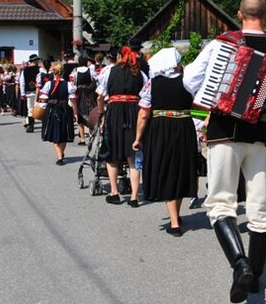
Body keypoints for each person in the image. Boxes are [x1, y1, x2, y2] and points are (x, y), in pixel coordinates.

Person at [183, 0, 266, 303]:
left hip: (224, 134)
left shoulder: (222, 45)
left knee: (220, 202)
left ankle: (240, 264)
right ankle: (255, 277)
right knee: (261, 208)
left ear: (238, 15)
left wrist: (215, 95)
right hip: (264, 138)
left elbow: (191, 79)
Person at [133, 48, 198, 237]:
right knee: (179, 169)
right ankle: (175, 215)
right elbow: (199, 105)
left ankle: (175, 222)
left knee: (168, 170)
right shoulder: (188, 82)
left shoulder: (152, 84)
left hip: (161, 129)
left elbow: (143, 114)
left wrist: (138, 139)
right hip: (184, 128)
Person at [97, 46, 148, 207]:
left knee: (111, 154)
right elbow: (147, 95)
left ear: (119, 57)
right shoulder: (141, 74)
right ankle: (133, 197)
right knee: (133, 156)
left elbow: (100, 95)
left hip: (115, 112)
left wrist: (101, 112)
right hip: (134, 112)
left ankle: (114, 192)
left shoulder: (109, 71)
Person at [39, 62, 75, 165]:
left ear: (53, 73)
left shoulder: (48, 84)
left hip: (52, 110)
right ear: (63, 72)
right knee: (64, 133)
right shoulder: (68, 84)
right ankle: (60, 155)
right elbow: (72, 101)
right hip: (64, 109)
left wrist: (42, 109)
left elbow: (43, 99)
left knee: (57, 134)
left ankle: (60, 155)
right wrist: (75, 113)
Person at [70, 56, 98, 145]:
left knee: (79, 114)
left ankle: (82, 139)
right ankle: (91, 135)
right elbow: (97, 79)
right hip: (89, 94)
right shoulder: (90, 70)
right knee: (90, 113)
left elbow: (72, 82)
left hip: (78, 93)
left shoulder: (75, 71)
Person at [19, 54, 41, 133]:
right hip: (39, 92)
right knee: (40, 108)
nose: (38, 61)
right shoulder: (40, 70)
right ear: (35, 61)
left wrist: (22, 93)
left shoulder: (25, 70)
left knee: (30, 109)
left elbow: (22, 82)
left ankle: (31, 126)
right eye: (37, 60)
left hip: (29, 92)